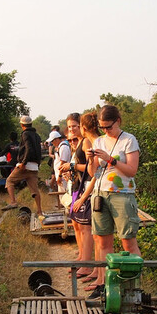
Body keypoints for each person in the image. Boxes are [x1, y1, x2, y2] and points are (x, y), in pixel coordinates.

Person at [85, 105, 141, 297]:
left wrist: (111, 160)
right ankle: (102, 284)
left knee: (127, 240)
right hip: (100, 194)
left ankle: (132, 286)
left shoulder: (129, 140)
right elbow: (93, 173)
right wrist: (91, 160)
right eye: (102, 127)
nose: (105, 131)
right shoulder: (99, 141)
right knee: (102, 242)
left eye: (108, 127)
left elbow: (132, 171)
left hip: (122, 195)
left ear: (118, 121)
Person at [66, 113, 95, 280]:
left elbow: (92, 169)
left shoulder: (86, 142)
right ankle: (82, 258)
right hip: (77, 185)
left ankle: (86, 263)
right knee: (78, 225)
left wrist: (74, 166)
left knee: (86, 227)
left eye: (75, 126)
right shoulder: (77, 143)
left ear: (82, 126)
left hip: (86, 186)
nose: (72, 129)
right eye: (69, 127)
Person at [1, 115, 44, 217]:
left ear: (22, 125)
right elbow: (38, 151)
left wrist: (23, 163)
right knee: (35, 190)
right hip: (34, 167)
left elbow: (29, 149)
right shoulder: (37, 136)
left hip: (26, 165)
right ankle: (39, 211)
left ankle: (13, 202)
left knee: (9, 181)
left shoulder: (25, 134)